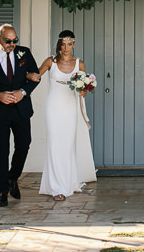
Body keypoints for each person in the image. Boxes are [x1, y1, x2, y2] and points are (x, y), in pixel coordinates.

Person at [27, 29, 97, 200]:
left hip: (70, 107)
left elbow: (84, 91)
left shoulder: (79, 64)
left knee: (67, 145)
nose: (66, 47)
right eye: (63, 44)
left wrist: (84, 91)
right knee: (55, 144)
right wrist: (27, 74)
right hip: (53, 107)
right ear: (59, 44)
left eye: (69, 44)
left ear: (74, 44)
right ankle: (57, 187)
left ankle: (69, 183)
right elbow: (36, 75)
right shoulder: (51, 61)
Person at [0, 23, 40, 207]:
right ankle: (2, 191)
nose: (12, 44)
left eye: (15, 40)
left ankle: (13, 178)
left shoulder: (24, 53)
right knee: (1, 151)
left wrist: (23, 91)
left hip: (21, 108)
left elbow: (36, 76)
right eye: (8, 41)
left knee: (24, 145)